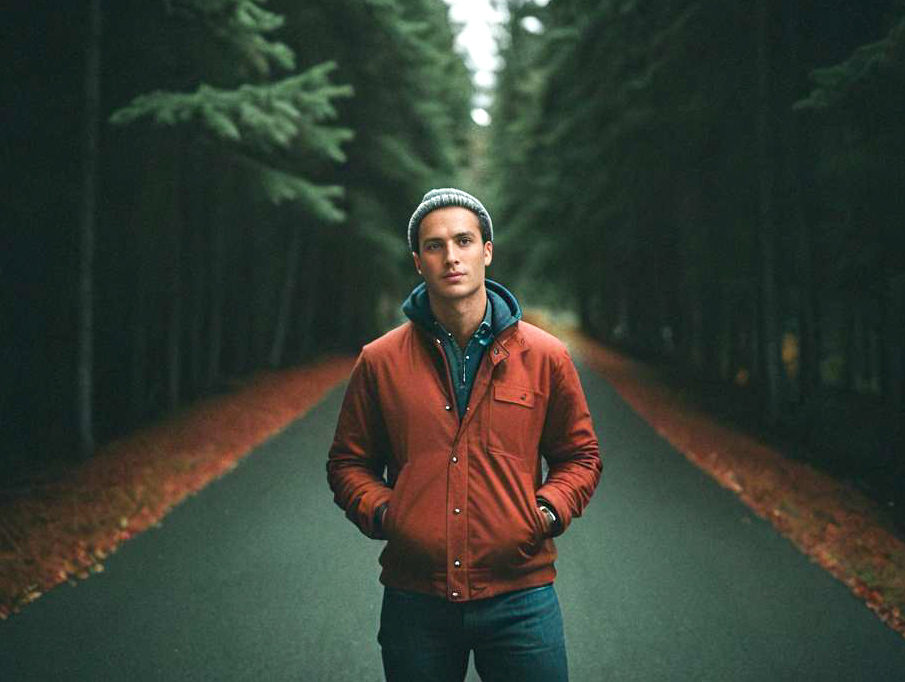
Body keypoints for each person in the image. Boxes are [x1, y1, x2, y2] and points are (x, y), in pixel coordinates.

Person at [327, 188, 602, 682]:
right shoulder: (380, 361)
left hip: (522, 598)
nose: (450, 256)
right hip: (416, 602)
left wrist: (543, 512)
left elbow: (580, 456)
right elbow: (348, 463)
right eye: (434, 246)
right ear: (418, 261)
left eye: (463, 240)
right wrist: (390, 513)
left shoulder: (545, 357)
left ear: (486, 250)